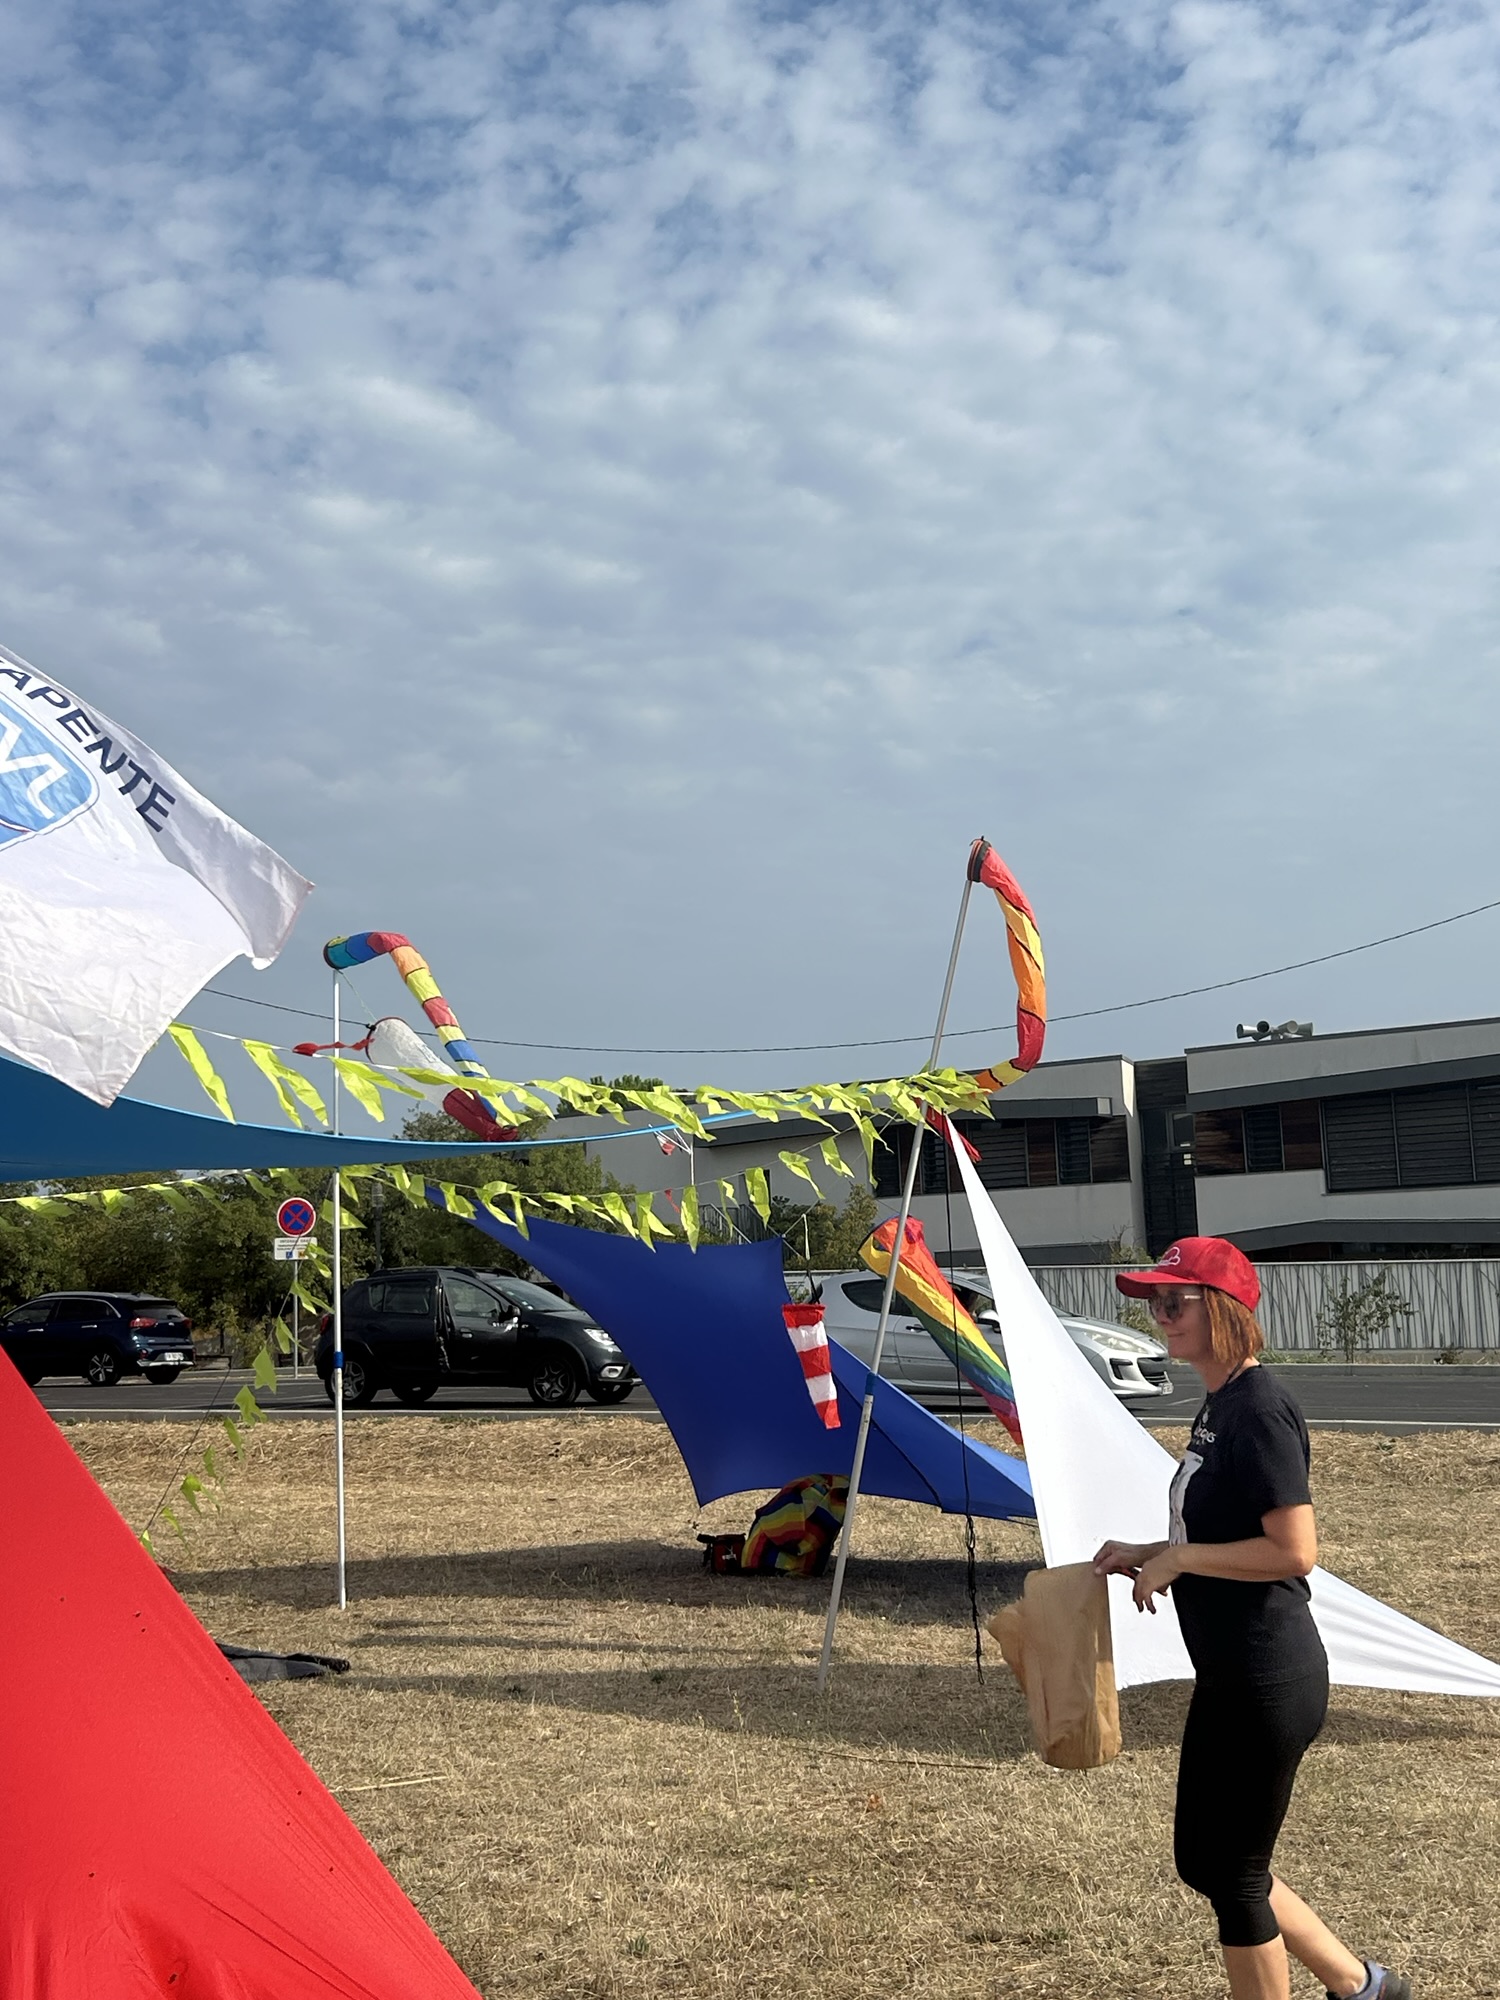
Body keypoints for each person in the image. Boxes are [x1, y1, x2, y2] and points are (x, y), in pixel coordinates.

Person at [1092, 1236, 1411, 2000]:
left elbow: (1294, 1550)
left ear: (1225, 1310)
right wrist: (1150, 1548)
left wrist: (1183, 1561)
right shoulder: (1220, 1401)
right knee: (1204, 1860)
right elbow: (1218, 1528)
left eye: (1176, 1302)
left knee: (1232, 1874)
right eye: (1152, 1304)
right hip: (1231, 1673)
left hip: (1270, 1675)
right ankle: (1361, 1985)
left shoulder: (1261, 1408)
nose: (1160, 1317)